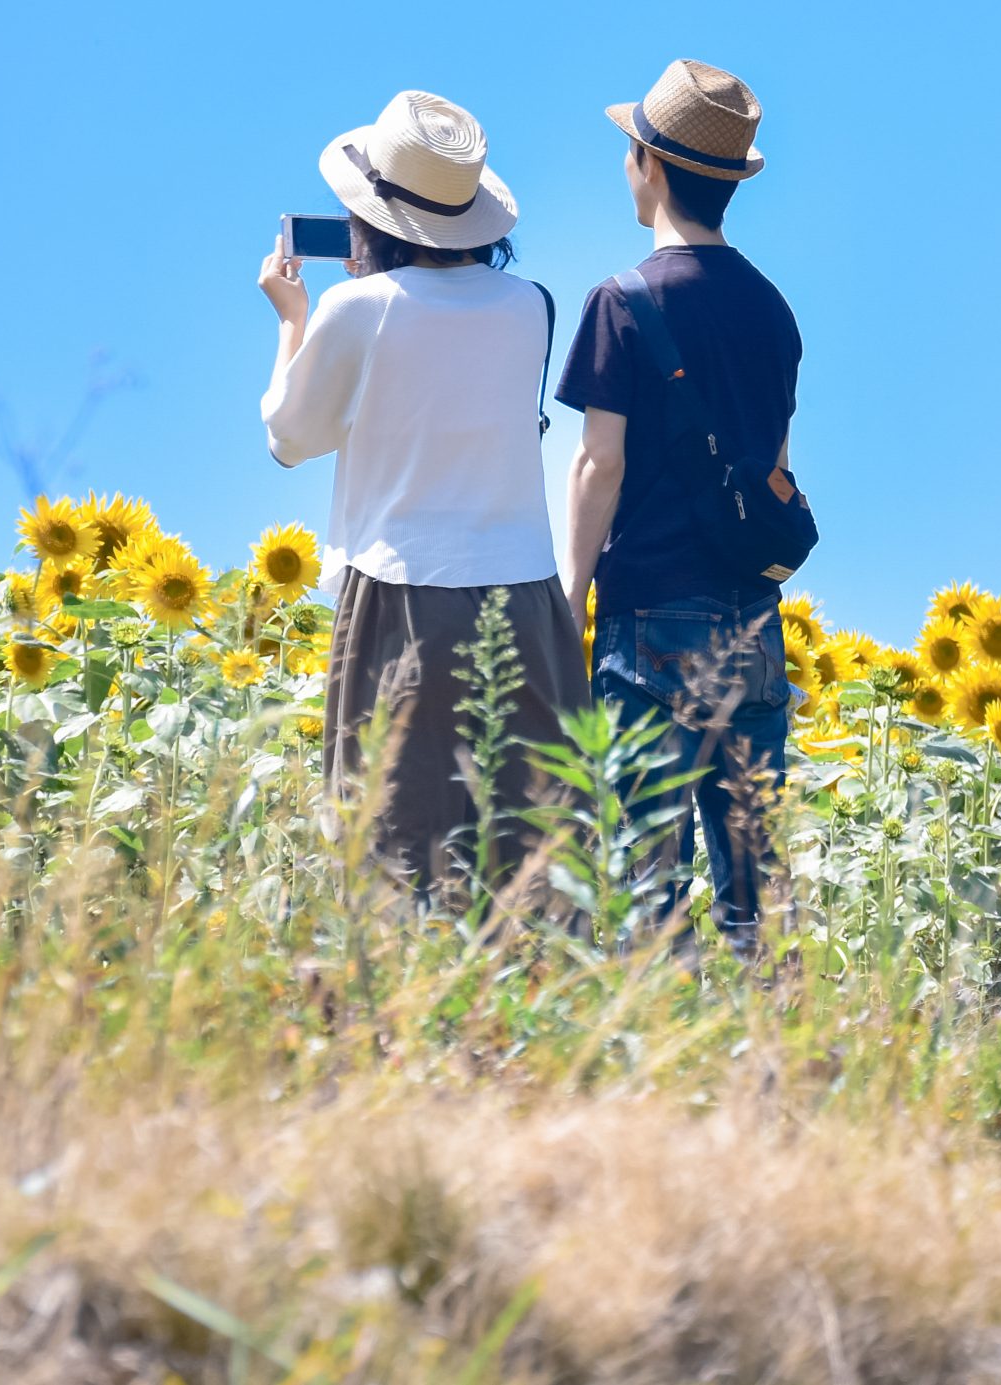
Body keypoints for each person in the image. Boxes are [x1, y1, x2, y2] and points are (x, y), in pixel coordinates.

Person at [258, 88, 584, 889]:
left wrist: (292, 320)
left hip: (400, 592)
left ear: (372, 218)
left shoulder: (356, 306)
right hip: (525, 598)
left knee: (396, 850)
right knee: (529, 856)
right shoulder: (532, 306)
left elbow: (290, 437)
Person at [556, 58, 805, 953]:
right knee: (757, 892)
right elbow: (776, 469)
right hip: (755, 626)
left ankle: (660, 1038)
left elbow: (600, 463)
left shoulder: (621, 301)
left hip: (651, 622)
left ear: (650, 166)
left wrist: (569, 595)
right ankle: (775, 1033)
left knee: (645, 883)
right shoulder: (774, 311)